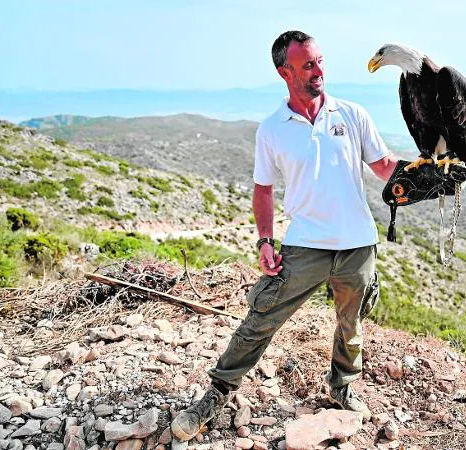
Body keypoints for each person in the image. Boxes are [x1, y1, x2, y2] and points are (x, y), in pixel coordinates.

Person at [171, 30, 399, 441]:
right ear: (285, 71)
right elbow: (263, 189)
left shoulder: (352, 114)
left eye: (320, 61)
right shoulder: (272, 129)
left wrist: (427, 172)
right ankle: (218, 392)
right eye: (308, 64)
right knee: (261, 319)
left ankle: (343, 385)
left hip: (358, 245)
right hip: (305, 246)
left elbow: (383, 165)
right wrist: (264, 240)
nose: (319, 71)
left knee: (351, 324)